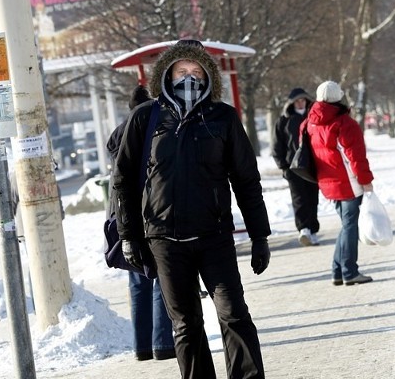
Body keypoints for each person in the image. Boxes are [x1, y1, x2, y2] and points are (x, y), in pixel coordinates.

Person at [113, 40, 271, 379]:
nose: (189, 77)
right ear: (167, 74)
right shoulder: (146, 117)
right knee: (185, 323)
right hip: (164, 239)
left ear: (208, 75)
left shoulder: (223, 118)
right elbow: (122, 179)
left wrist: (260, 235)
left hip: (213, 235)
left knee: (234, 314)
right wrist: (129, 237)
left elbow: (246, 180)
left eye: (196, 71)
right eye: (181, 71)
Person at [107, 84, 176, 362]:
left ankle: (142, 347)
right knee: (160, 275)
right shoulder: (150, 128)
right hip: (150, 210)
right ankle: (162, 344)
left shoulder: (117, 134)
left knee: (137, 282)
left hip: (123, 213)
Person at [302, 81, 375, 286]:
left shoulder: (311, 122)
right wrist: (366, 181)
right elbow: (356, 157)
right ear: (339, 97)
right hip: (348, 181)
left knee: (346, 226)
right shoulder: (344, 123)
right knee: (350, 227)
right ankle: (349, 271)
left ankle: (337, 271)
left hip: (327, 181)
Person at [272, 87, 321, 246]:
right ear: (291, 103)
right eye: (297, 101)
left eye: (303, 100)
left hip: (313, 166)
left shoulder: (314, 118)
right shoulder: (283, 121)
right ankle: (304, 229)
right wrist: (283, 167)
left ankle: (313, 231)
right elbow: (277, 147)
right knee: (299, 199)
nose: (300, 103)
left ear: (307, 101)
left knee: (312, 198)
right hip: (293, 168)